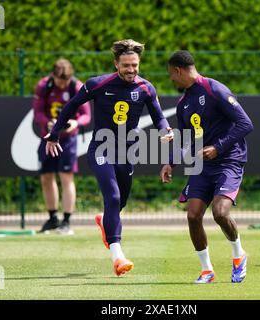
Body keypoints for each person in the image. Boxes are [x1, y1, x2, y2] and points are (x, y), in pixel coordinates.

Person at [45, 39, 173, 276]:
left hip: (127, 151)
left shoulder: (146, 88)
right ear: (116, 64)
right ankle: (118, 257)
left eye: (135, 64)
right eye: (126, 65)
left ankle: (105, 221)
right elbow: (70, 106)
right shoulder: (98, 84)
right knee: (112, 197)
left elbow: (158, 116)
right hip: (101, 149)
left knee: (119, 203)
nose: (131, 69)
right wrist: (54, 135)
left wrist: (166, 129)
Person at [160, 50, 254, 283]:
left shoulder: (214, 89)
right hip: (201, 165)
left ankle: (238, 255)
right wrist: (170, 162)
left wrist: (218, 147)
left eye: (172, 74)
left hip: (228, 161)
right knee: (193, 216)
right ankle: (207, 270)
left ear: (178, 70)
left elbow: (245, 123)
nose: (172, 79)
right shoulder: (183, 104)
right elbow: (184, 140)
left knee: (220, 213)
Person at [33, 58, 91, 235]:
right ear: (53, 76)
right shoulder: (44, 86)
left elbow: (86, 115)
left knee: (66, 178)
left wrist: (76, 123)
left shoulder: (76, 86)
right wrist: (49, 123)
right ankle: (52, 218)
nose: (62, 84)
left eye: (65, 81)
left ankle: (66, 221)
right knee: (46, 178)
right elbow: (37, 113)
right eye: (60, 81)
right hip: (49, 137)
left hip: (68, 140)